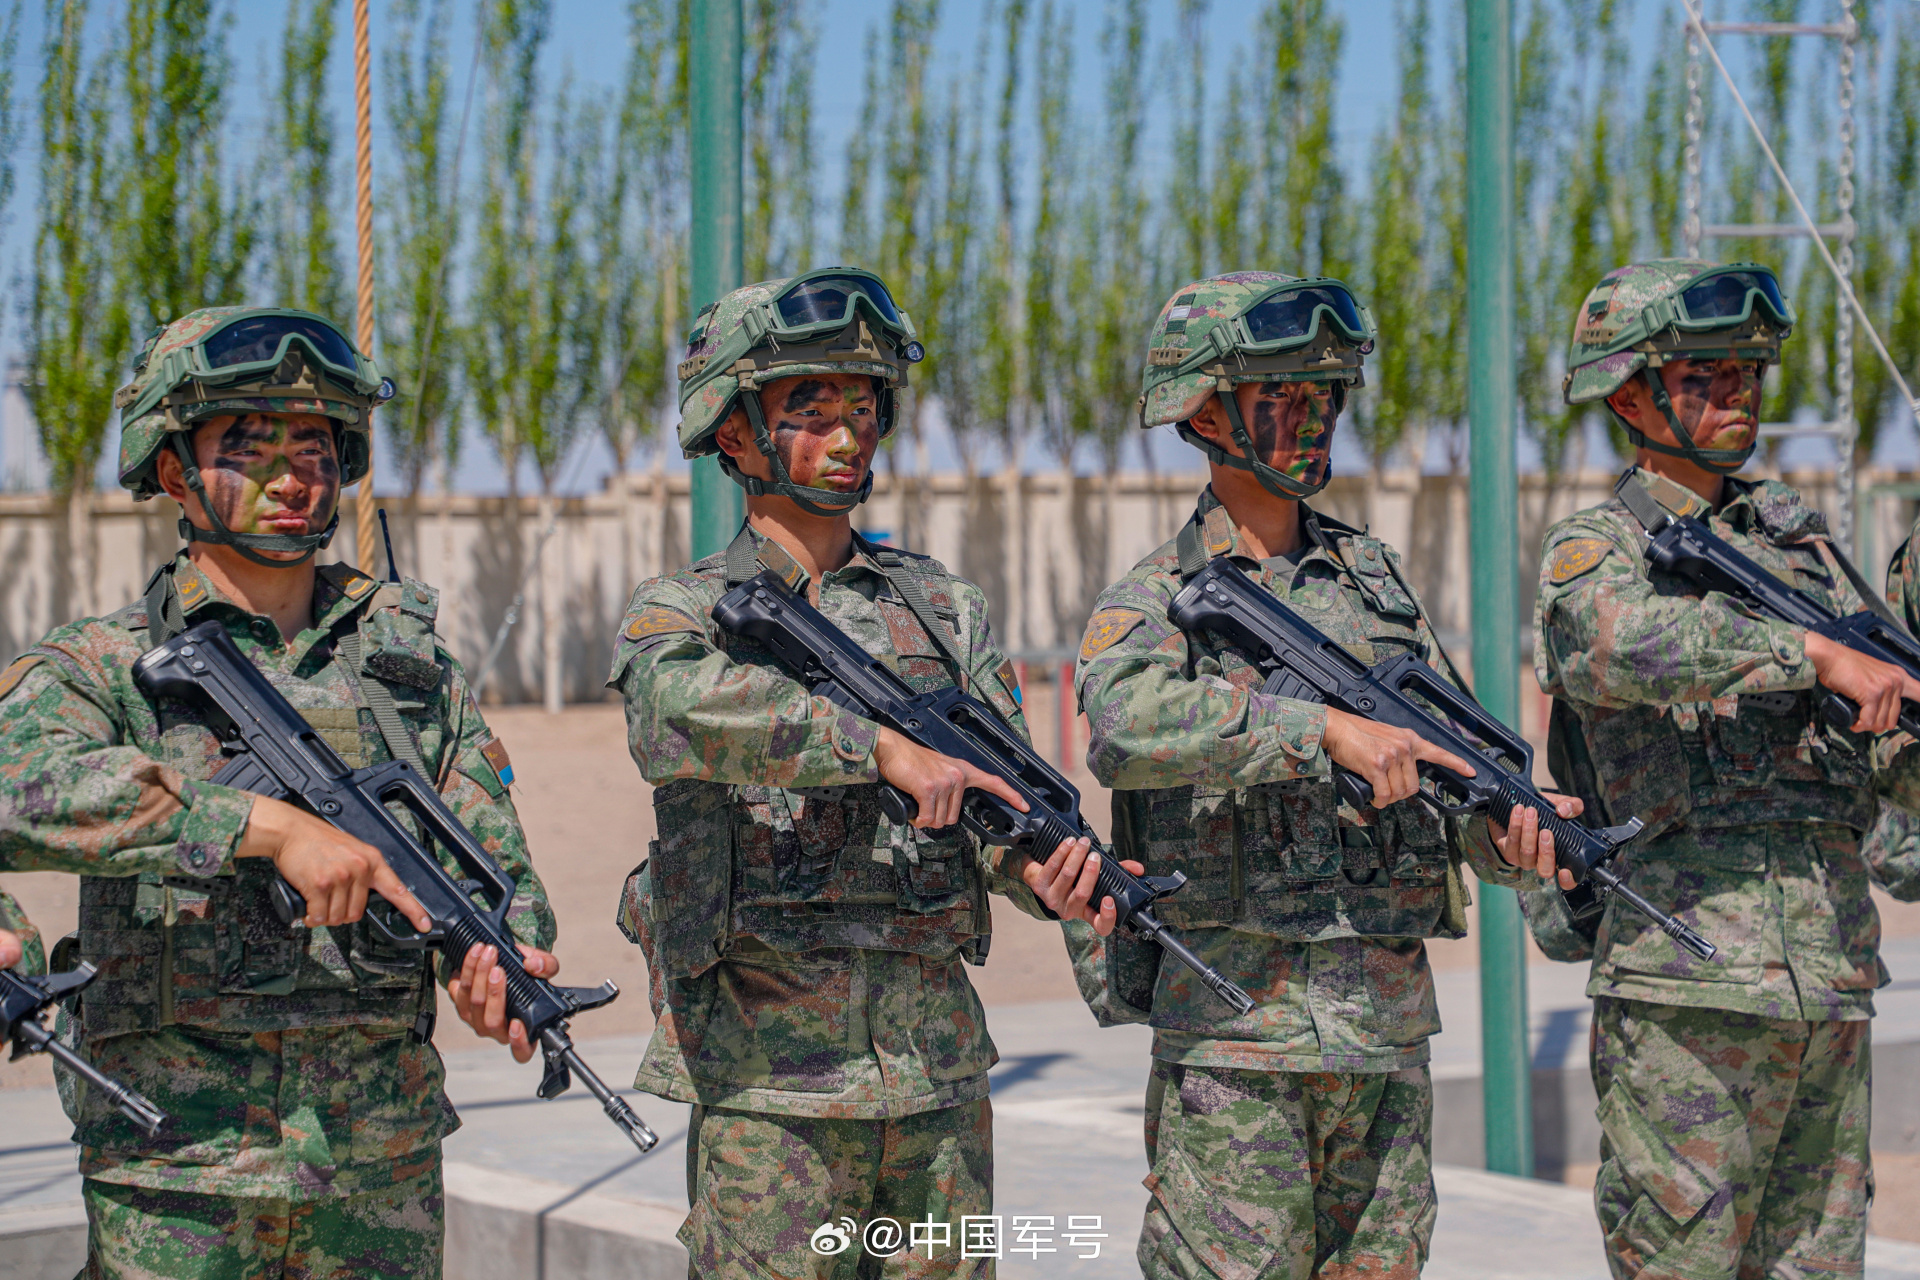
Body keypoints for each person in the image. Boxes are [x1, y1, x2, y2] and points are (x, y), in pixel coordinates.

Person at [0, 307, 556, 1279]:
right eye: (249, 445)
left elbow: (492, 859)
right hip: (179, 1171)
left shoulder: (408, 667)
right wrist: (261, 824)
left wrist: (503, 969)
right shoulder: (103, 662)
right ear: (173, 470)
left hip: (374, 1172)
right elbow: (18, 786)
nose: (294, 474)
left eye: (314, 443)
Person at [610, 269, 1136, 1278]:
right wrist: (873, 747)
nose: (848, 436)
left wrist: (1046, 878)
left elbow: (998, 814)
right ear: (732, 430)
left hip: (936, 1079)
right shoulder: (681, 609)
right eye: (811, 412)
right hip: (774, 1090)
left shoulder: (943, 609)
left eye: (863, 409)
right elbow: (670, 713)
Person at [1068, 271, 1577, 1279]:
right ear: (1205, 410)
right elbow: (1121, 726)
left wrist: (1516, 832)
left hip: (1385, 1041)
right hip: (1237, 1043)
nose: (1314, 419)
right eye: (1284, 397)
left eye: (1325, 396)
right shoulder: (1157, 597)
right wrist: (1318, 731)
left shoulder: (1376, 586)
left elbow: (1445, 763)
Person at [1535, 258, 1920, 1278]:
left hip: (1829, 980)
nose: (1738, 393)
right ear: (1630, 393)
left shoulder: (1807, 555)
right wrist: (1812, 656)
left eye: (1748, 372)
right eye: (1706, 375)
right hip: (1686, 988)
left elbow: (1883, 769)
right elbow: (1609, 641)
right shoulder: (1599, 546)